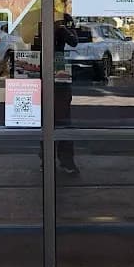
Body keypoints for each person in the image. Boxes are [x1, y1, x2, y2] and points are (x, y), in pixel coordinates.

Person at [54, 14, 79, 175]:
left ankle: (58, 160)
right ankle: (64, 161)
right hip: (53, 66)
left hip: (51, 66)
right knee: (62, 118)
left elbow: (73, 41)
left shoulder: (60, 21)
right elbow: (74, 41)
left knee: (57, 117)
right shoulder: (61, 22)